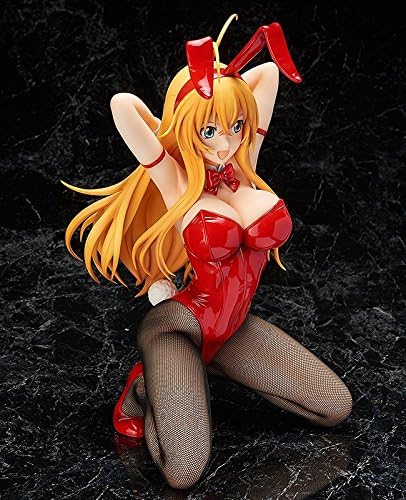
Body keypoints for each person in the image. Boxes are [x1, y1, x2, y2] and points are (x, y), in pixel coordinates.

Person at [62, 14, 353, 490]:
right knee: (185, 472)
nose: (227, 143)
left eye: (236, 126)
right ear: (188, 127)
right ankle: (143, 388)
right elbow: (122, 105)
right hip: (180, 326)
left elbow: (268, 73)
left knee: (335, 406)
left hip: (231, 328)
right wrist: (184, 114)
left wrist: (224, 82)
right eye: (210, 132)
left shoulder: (245, 160)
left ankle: (198, 371)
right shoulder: (175, 180)